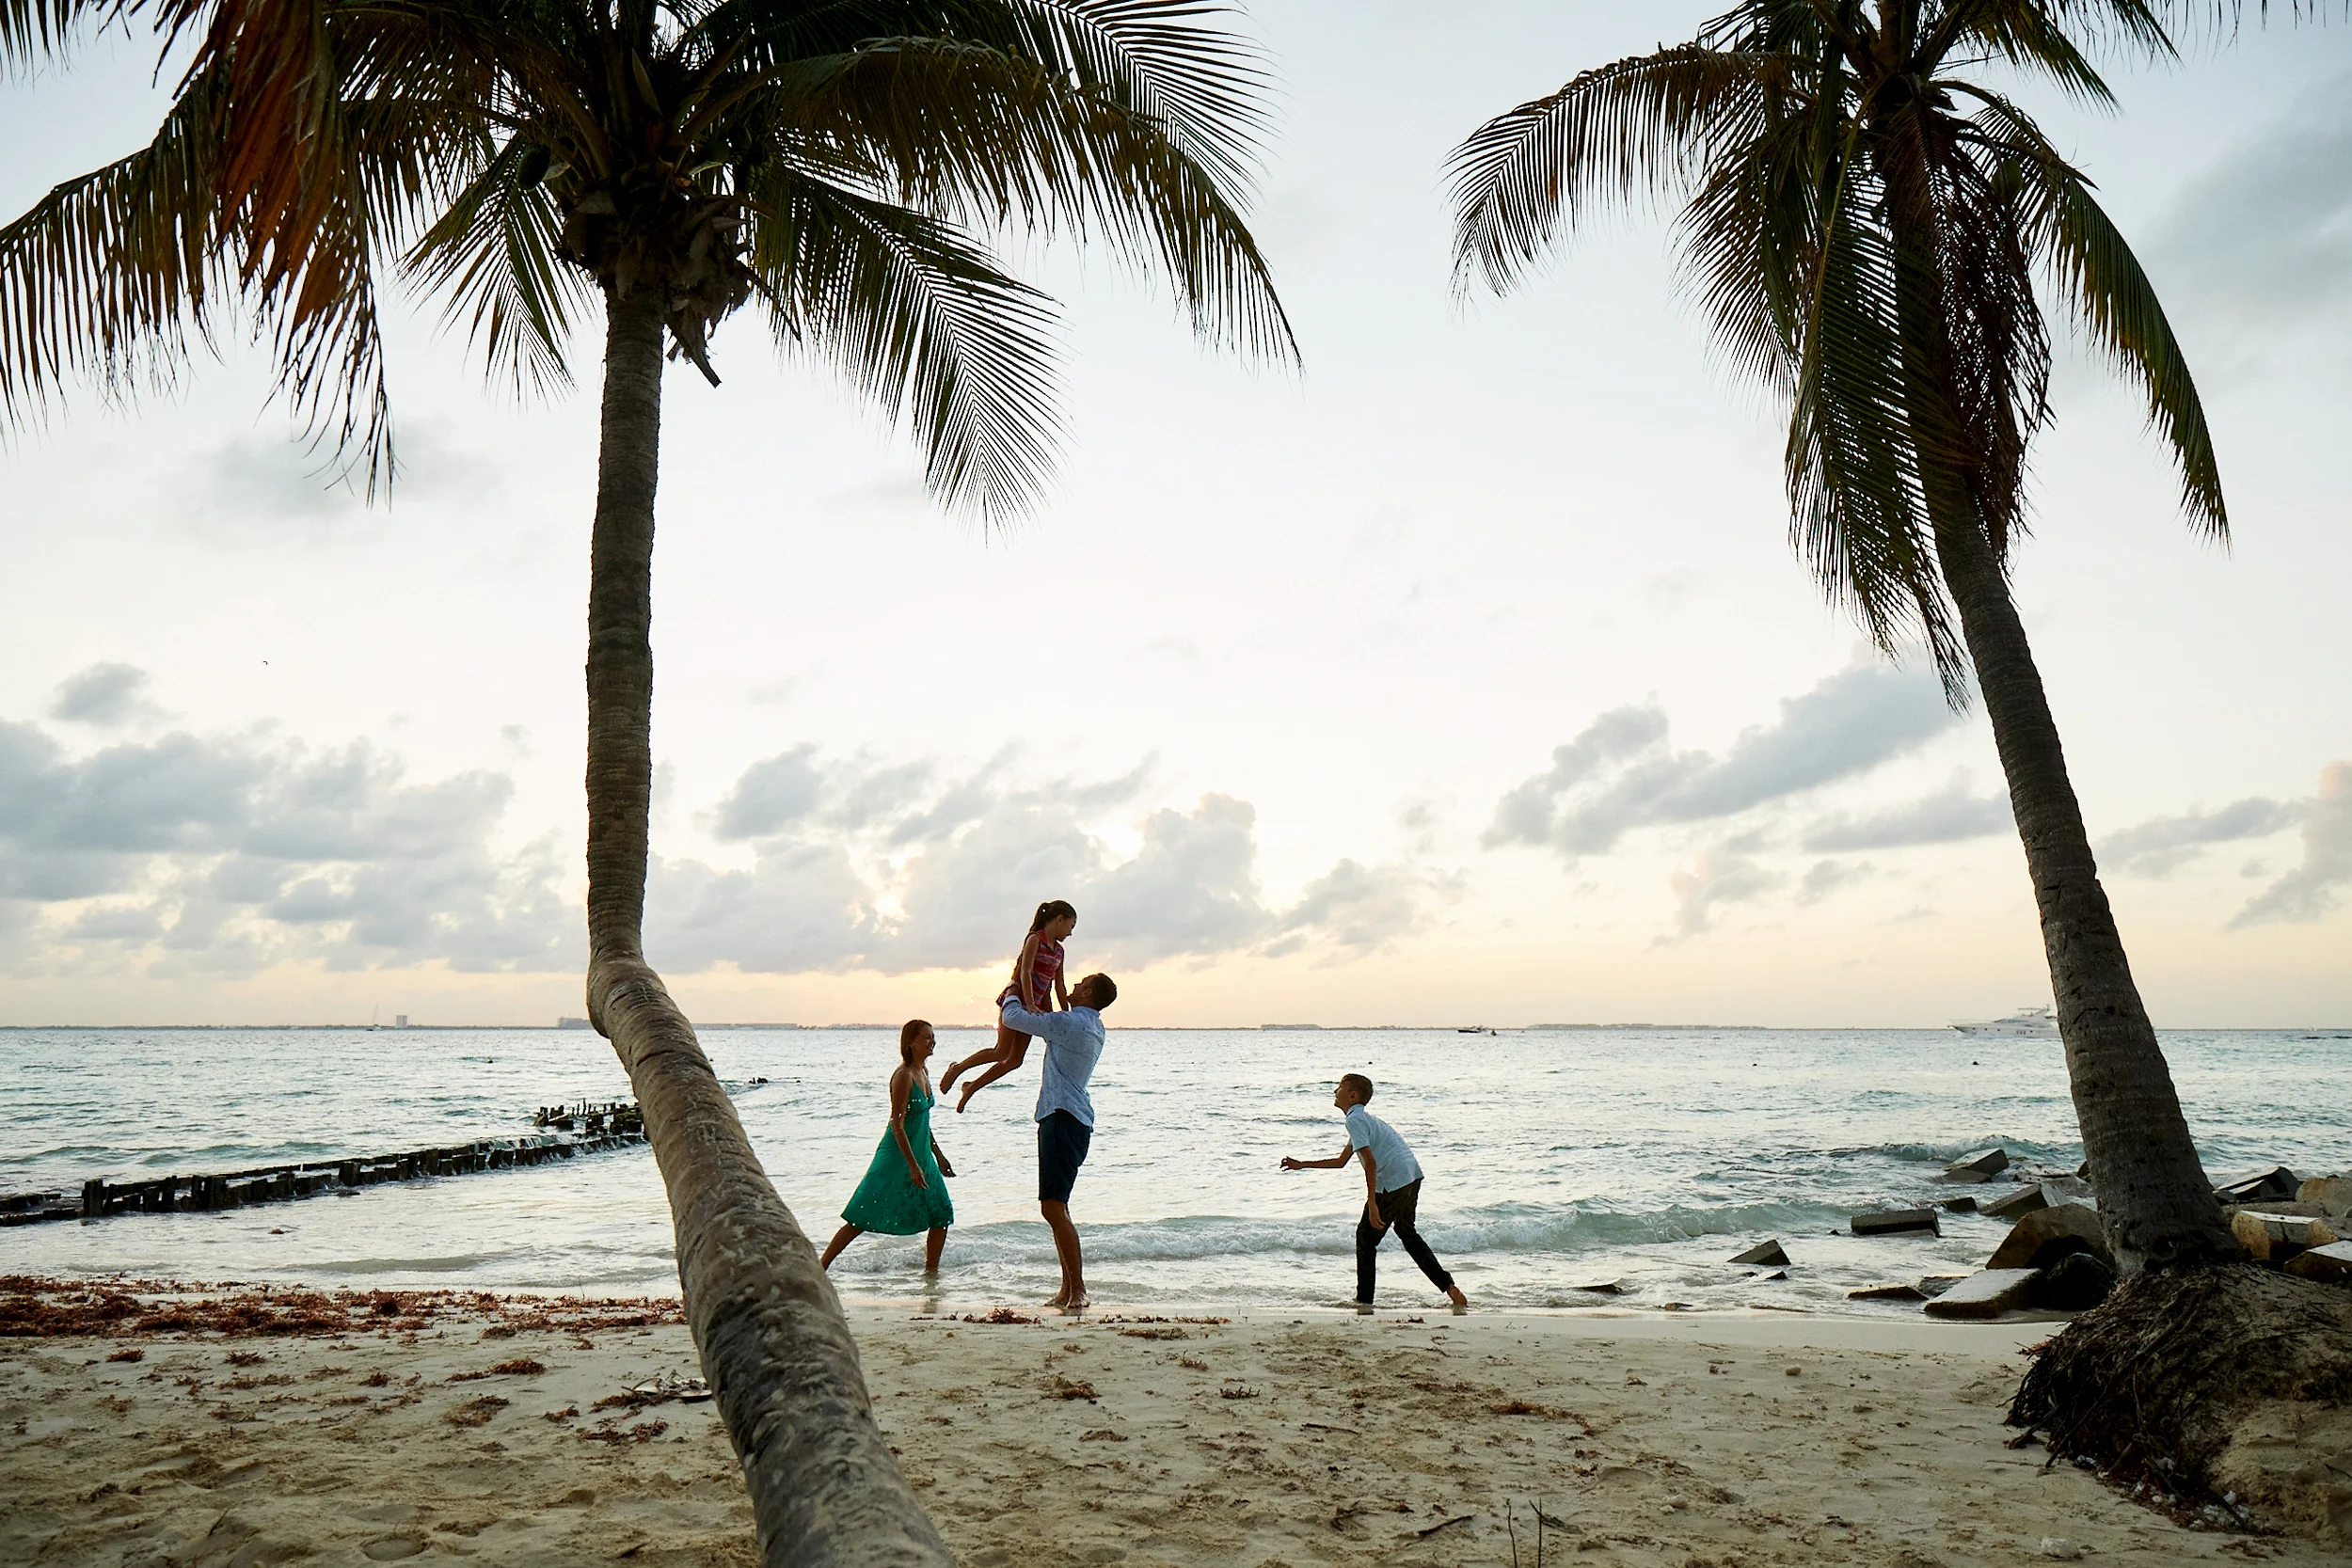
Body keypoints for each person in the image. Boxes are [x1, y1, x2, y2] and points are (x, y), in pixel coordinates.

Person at [1280, 1073, 1469, 1310]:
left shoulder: (1355, 1120)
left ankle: (1364, 1300)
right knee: (1407, 1233)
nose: (1334, 1092)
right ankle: (1449, 1288)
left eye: (1339, 1088)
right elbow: (1341, 1161)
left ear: (1352, 1095)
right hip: (1410, 1176)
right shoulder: (1362, 1120)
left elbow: (1370, 1163)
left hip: (1392, 1181)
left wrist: (1372, 1203)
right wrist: (1302, 1164)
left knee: (1365, 1239)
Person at [999, 972, 1118, 1310]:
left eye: (1080, 984)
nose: (1074, 987)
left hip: (1062, 1117)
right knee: (1057, 1207)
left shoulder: (1072, 1024)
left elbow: (1014, 1018)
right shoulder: (1091, 1024)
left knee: (1053, 1208)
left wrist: (1012, 989)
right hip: (1072, 1119)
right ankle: (1067, 1289)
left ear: (1089, 993)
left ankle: (1077, 1289)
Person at [819, 1020, 958, 1275]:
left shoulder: (924, 1071)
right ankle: (821, 1266)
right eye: (926, 1037)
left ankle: (931, 1274)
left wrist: (939, 1156)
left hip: (923, 1155)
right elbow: (898, 1124)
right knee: (862, 1215)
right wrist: (912, 1167)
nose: (932, 1041)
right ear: (910, 1042)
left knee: (941, 1214)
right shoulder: (904, 1075)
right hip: (897, 1157)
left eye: (933, 1036)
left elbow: (923, 1123)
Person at [941, 900, 1076, 1113]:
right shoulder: (1035, 939)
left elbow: (1059, 985)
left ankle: (971, 1088)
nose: (1070, 933)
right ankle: (957, 1068)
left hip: (1036, 1007)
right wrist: (1030, 1004)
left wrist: (1069, 1016)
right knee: (1000, 1051)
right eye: (1070, 926)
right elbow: (1025, 972)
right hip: (1017, 1001)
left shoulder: (1059, 951)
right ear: (1059, 920)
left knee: (1014, 1061)